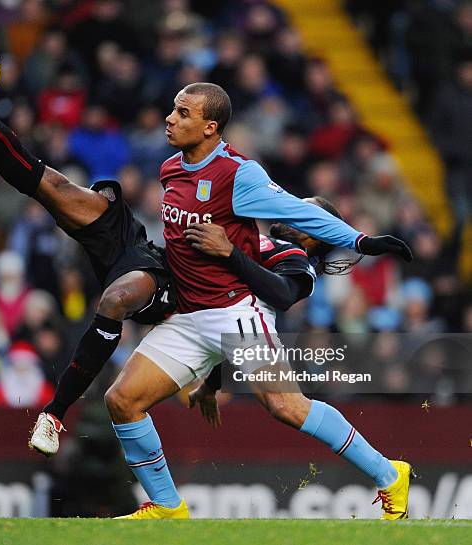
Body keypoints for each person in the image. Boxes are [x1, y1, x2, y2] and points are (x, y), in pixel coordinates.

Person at [100, 82, 413, 520]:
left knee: (286, 405)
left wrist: (361, 240)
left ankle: (389, 474)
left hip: (235, 315)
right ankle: (166, 506)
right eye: (173, 110)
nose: (170, 119)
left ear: (210, 126)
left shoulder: (285, 245)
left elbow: (290, 256)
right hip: (190, 317)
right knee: (122, 401)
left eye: (182, 113)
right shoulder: (173, 170)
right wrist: (211, 379)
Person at [0, 39, 176, 455]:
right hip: (134, 246)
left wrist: (211, 382)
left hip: (152, 285)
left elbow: (266, 293)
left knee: (115, 304)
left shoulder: (260, 279)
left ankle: (55, 414)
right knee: (52, 188)